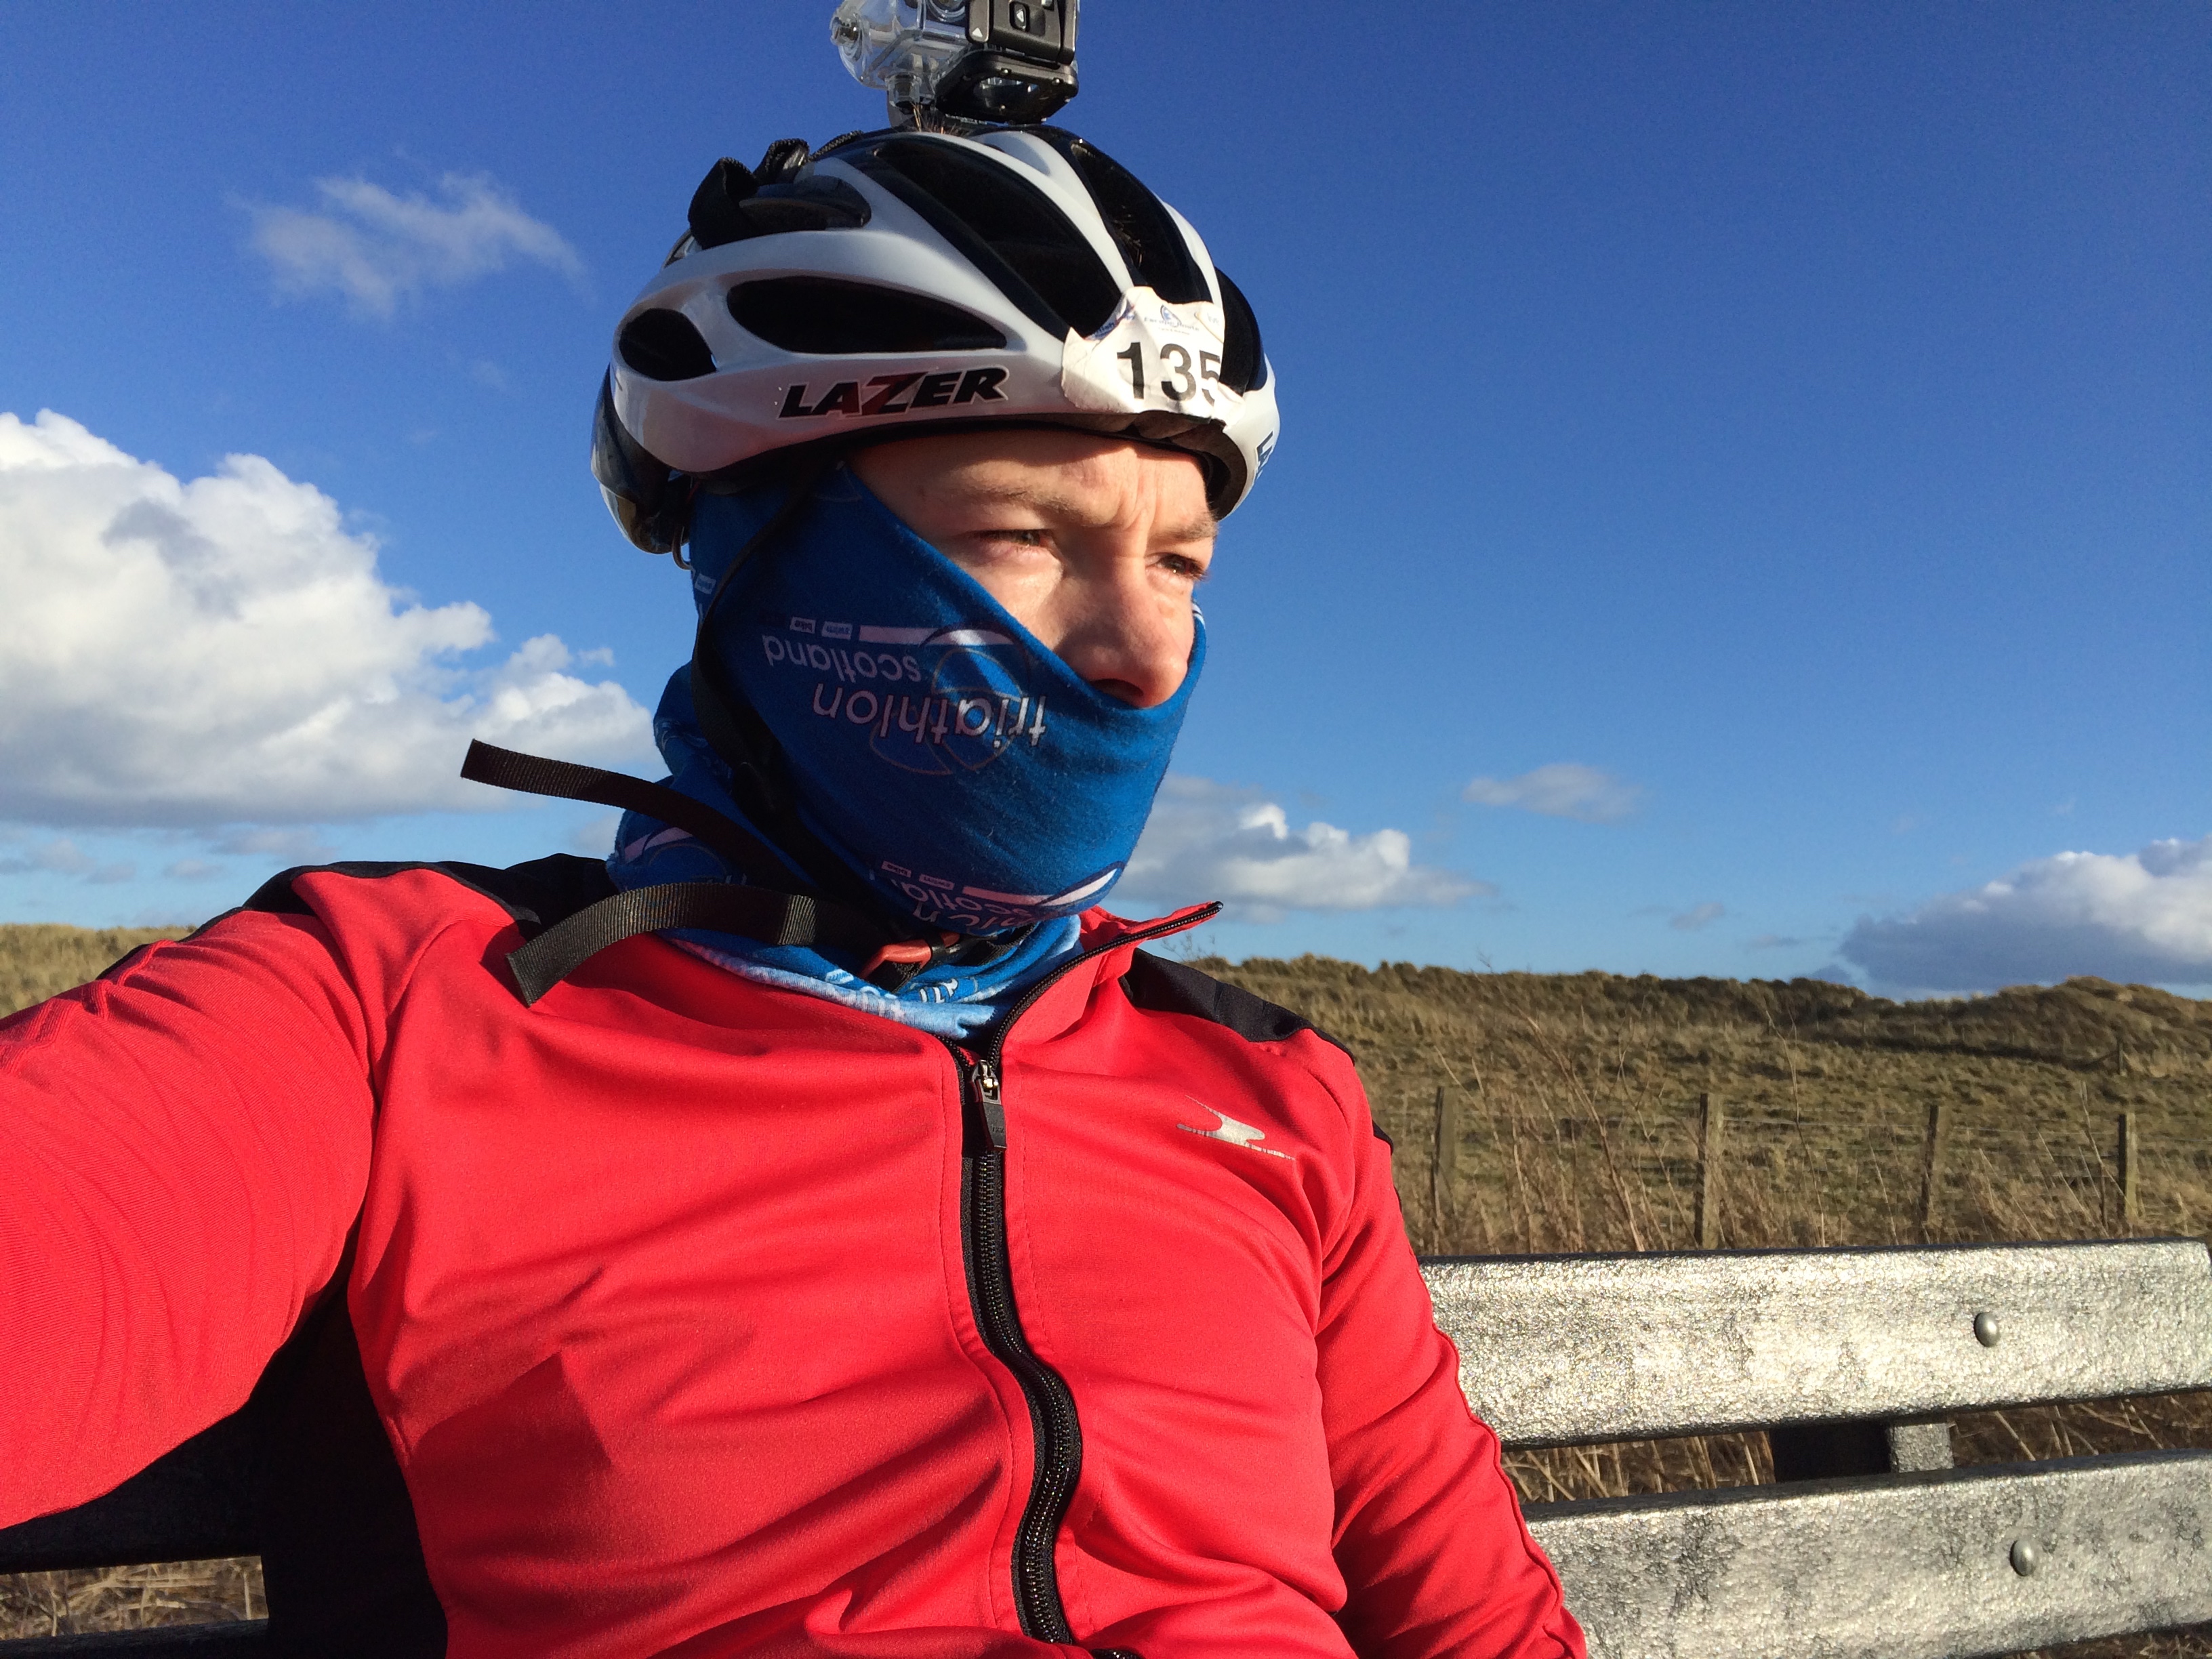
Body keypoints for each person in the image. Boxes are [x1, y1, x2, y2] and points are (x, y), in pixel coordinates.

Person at [0, 125, 1586, 1659]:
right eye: (1023, 533)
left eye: (1181, 563)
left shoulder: (1268, 1089)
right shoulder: (400, 1008)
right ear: (762, 559)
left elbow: (1476, 1619)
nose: (1146, 648)